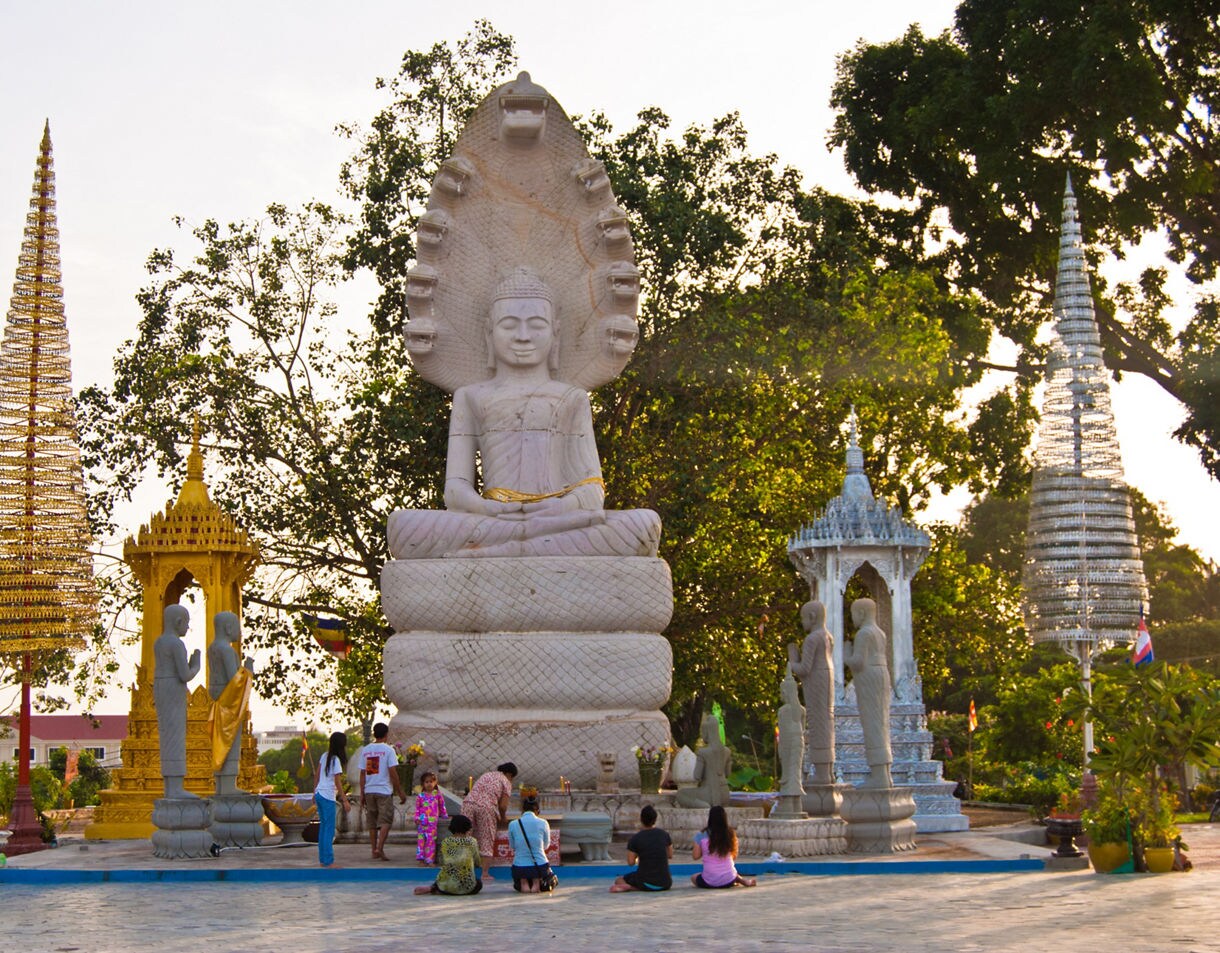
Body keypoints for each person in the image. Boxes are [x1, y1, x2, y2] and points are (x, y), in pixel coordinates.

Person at [387, 268, 659, 559]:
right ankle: (523, 545)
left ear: (555, 333)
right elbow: (455, 490)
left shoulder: (572, 398)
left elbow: (591, 492)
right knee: (403, 526)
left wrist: (554, 509)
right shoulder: (470, 396)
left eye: (536, 325)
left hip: (557, 518)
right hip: (493, 519)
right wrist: (490, 509)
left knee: (643, 525)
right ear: (489, 332)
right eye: (509, 325)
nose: (523, 337)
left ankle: (500, 551)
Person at [844, 597, 893, 789]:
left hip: (869, 676)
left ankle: (879, 774)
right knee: (881, 723)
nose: (853, 618)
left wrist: (846, 654)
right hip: (881, 675)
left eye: (854, 614)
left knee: (873, 723)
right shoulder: (880, 633)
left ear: (862, 613)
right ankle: (884, 772)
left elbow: (858, 662)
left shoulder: (864, 633)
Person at [153, 603, 201, 800]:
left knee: (168, 736)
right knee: (175, 736)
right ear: (179, 622)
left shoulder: (159, 642)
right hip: (173, 689)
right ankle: (175, 788)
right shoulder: (176, 644)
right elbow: (185, 674)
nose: (186, 628)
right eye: (186, 624)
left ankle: (170, 787)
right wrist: (196, 663)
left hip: (161, 687)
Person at [207, 611, 254, 796]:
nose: (240, 632)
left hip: (217, 698)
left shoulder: (213, 647)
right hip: (228, 702)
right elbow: (234, 680)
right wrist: (248, 670)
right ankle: (228, 785)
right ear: (228, 628)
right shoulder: (227, 650)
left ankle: (222, 784)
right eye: (237, 627)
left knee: (220, 741)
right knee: (229, 742)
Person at [788, 599, 835, 785]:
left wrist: (792, 659)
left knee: (817, 721)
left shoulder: (812, 638)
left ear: (812, 617)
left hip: (816, 681)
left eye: (803, 618)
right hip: (826, 678)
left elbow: (805, 669)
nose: (802, 622)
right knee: (826, 720)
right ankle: (827, 770)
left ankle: (822, 773)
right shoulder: (828, 636)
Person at [461, 762, 517, 881]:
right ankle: (485, 873)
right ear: (510, 774)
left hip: (468, 804)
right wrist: (503, 817)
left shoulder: (487, 775)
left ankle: (462, 870)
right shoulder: (506, 781)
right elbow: (503, 806)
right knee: (487, 839)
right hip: (485, 808)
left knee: (464, 837)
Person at [360, 722, 406, 860]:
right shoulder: (388, 750)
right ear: (386, 734)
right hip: (384, 790)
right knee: (385, 820)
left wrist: (362, 793)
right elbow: (393, 772)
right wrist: (400, 791)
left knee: (372, 822)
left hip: (369, 789)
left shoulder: (366, 750)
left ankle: (374, 850)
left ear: (374, 733)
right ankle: (380, 848)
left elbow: (363, 773)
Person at [413, 814, 483, 896]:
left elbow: (442, 861)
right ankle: (441, 888)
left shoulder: (445, 842)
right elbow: (477, 861)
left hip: (446, 887)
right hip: (466, 888)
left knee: (445, 876)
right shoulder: (472, 842)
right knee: (478, 883)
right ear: (468, 827)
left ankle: (434, 887)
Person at [610, 804, 672, 892]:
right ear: (655, 819)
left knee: (619, 880)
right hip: (665, 883)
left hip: (645, 881)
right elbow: (670, 855)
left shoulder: (635, 839)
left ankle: (631, 887)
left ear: (641, 820)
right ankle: (636, 887)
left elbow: (631, 862)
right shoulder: (665, 835)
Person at [690, 805, 756, 888]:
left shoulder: (701, 835)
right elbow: (734, 856)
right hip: (729, 879)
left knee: (693, 877)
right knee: (730, 872)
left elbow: (695, 856)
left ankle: (739, 880)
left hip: (710, 881)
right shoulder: (730, 834)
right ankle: (741, 880)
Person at [676, 714, 731, 809]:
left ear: (707, 732)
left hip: (709, 794)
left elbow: (697, 776)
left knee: (681, 794)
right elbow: (728, 774)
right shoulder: (727, 751)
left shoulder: (703, 752)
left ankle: (703, 805)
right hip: (725, 795)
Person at [314, 731, 352, 868]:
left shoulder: (324, 756)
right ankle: (328, 861)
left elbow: (317, 775)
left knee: (323, 828)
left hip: (319, 793)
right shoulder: (335, 760)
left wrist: (314, 792)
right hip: (327, 796)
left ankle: (323, 859)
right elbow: (337, 782)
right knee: (329, 829)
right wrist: (345, 800)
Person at [507, 786, 554, 893]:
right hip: (540, 864)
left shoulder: (513, 824)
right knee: (537, 884)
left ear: (522, 810)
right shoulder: (543, 823)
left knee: (523, 883)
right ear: (537, 810)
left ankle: (524, 890)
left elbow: (512, 846)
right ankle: (535, 887)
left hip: (520, 865)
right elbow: (546, 845)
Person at [415, 770, 448, 865]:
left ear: (435, 783)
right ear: (423, 784)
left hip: (432, 823)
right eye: (427, 782)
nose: (429, 784)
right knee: (421, 841)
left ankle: (430, 860)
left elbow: (442, 805)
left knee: (431, 841)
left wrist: (444, 815)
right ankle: (421, 859)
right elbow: (417, 808)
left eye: (431, 782)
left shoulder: (437, 794)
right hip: (422, 822)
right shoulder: (420, 796)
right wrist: (417, 818)